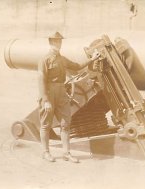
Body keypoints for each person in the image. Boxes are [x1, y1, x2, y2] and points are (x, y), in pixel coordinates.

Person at [38, 31, 99, 163]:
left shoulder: (62, 59)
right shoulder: (44, 60)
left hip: (61, 91)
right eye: (55, 41)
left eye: (59, 41)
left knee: (66, 123)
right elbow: (41, 80)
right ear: (50, 42)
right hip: (49, 91)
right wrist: (45, 100)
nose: (58, 43)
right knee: (46, 124)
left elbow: (77, 66)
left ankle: (66, 153)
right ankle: (45, 152)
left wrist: (92, 59)